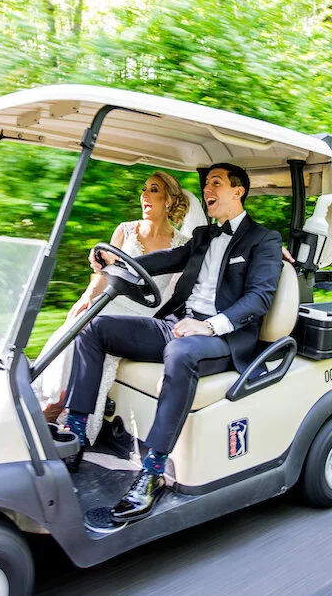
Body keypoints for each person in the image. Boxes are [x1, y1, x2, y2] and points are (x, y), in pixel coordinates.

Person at [59, 163, 283, 524]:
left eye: (216, 183)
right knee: (94, 327)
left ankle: (152, 471)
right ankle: (77, 432)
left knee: (179, 352)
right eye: (206, 182)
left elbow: (259, 299)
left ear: (238, 192)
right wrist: (116, 262)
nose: (207, 189)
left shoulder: (264, 239)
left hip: (221, 337)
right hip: (179, 324)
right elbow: (164, 259)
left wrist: (207, 327)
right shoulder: (204, 236)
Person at [34, 171, 202, 443]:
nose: (144, 195)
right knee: (79, 323)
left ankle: (60, 416)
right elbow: (104, 272)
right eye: (144, 189)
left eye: (154, 190)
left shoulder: (182, 245)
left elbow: (177, 293)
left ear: (169, 201)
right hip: (111, 301)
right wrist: (86, 298)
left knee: (92, 332)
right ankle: (54, 406)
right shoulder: (125, 230)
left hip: (144, 313)